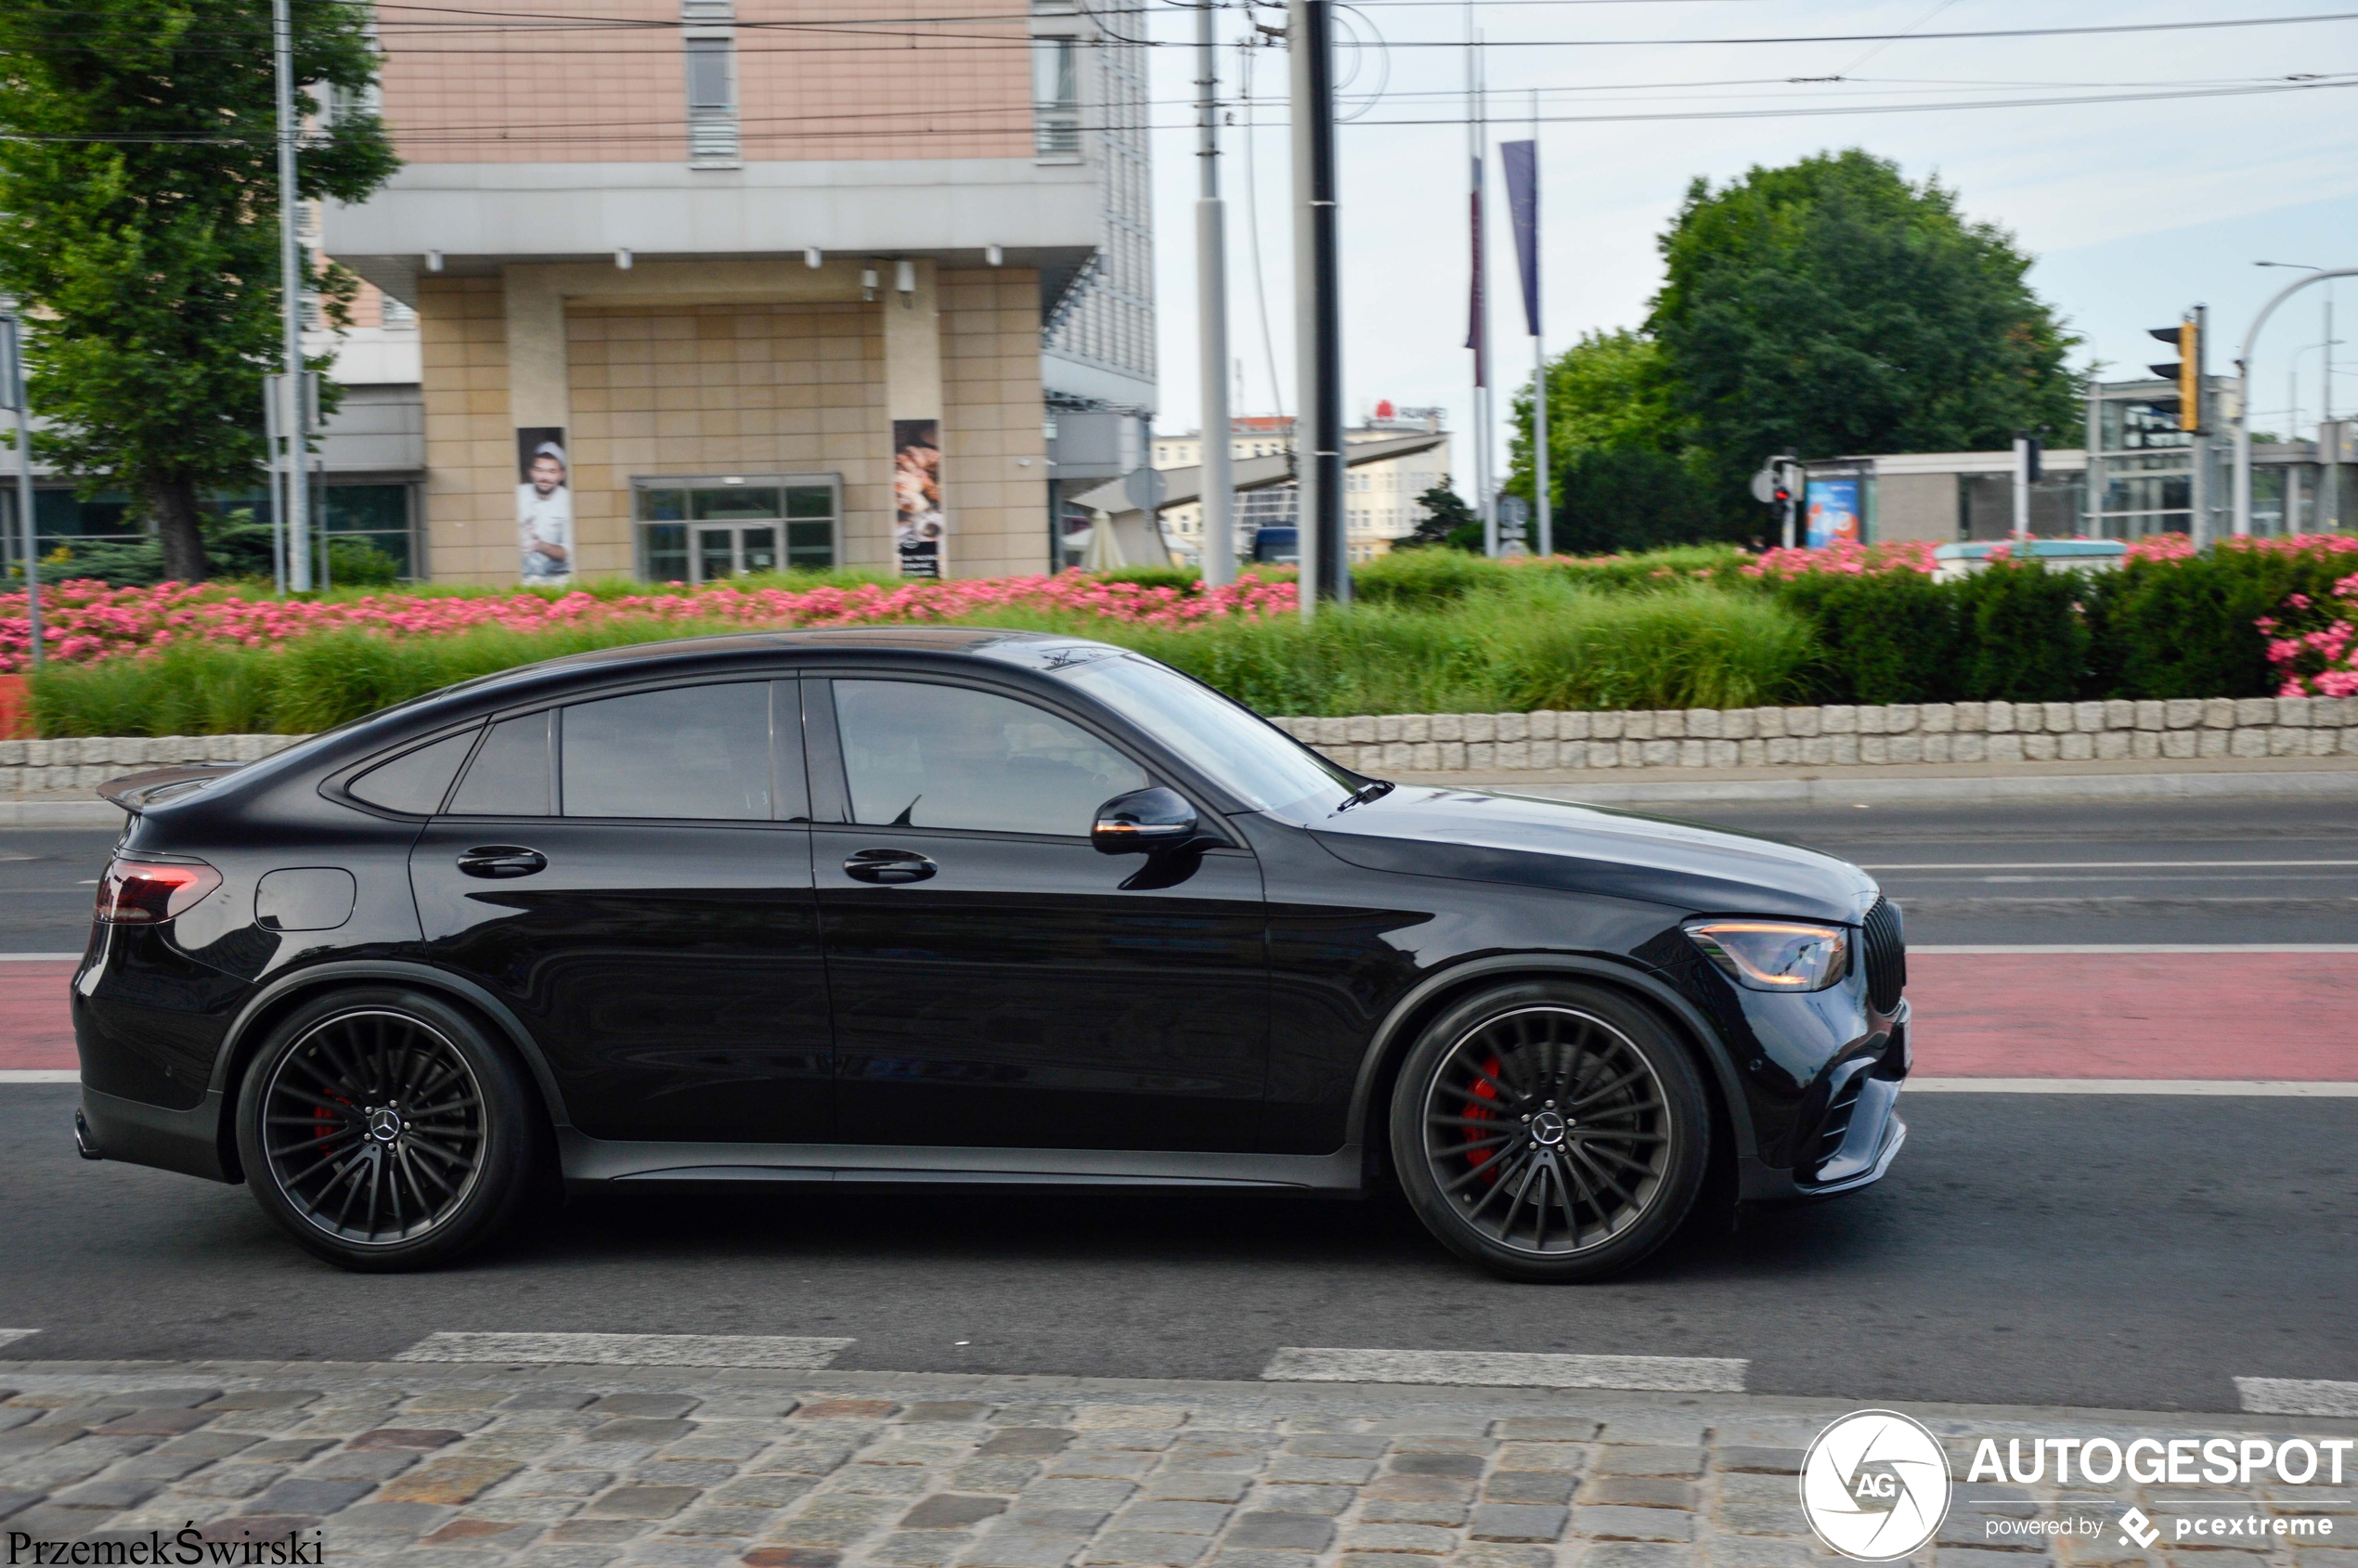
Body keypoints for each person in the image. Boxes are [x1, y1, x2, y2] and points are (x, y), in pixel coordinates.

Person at [517, 443, 573, 582]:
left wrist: (539, 545)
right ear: (531, 472)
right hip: (522, 578)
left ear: (561, 475)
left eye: (551, 472)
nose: (544, 477)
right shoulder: (517, 494)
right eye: (539, 470)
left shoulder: (570, 500)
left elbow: (568, 552)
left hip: (559, 578)